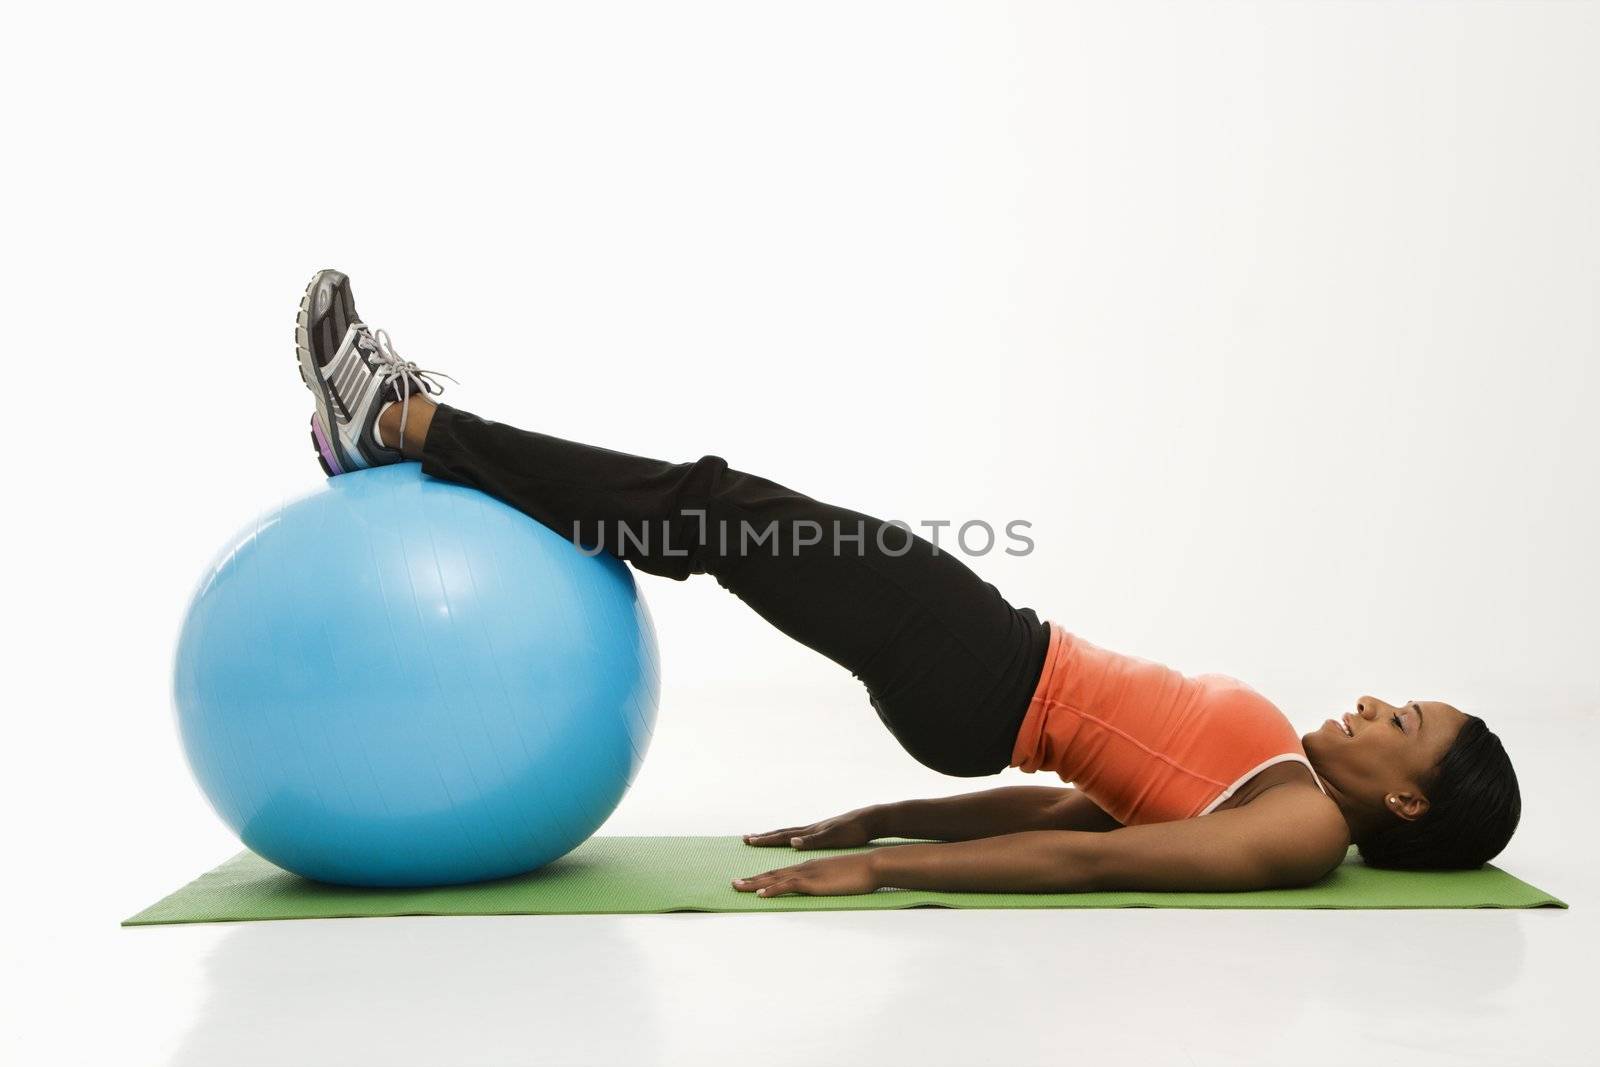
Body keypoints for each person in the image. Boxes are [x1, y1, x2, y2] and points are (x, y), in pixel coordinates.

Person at [293, 269, 1522, 898]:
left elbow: (1088, 872)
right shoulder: (1286, 790)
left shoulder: (1302, 830)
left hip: (986, 669)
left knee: (711, 507)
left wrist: (881, 872)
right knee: (711, 512)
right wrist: (874, 817)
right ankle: (409, 430)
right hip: (985, 670)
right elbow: (1072, 816)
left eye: (1400, 724)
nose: (1373, 703)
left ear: (1408, 805)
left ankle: (399, 424)